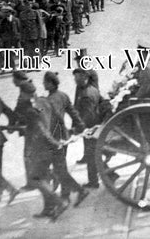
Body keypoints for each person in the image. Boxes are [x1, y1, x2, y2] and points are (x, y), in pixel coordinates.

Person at [14, 80, 68, 221]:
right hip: (48, 145)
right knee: (42, 178)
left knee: (35, 178)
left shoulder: (31, 109)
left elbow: (40, 129)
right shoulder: (43, 102)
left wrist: (54, 142)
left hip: (41, 147)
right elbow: (55, 119)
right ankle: (48, 209)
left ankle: (59, 202)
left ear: (24, 93)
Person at [43, 71, 89, 207]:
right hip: (64, 136)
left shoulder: (50, 100)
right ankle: (65, 195)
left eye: (45, 82)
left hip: (55, 138)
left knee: (59, 169)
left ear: (51, 84)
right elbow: (73, 113)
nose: (43, 84)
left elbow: (52, 119)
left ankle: (80, 191)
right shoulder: (63, 96)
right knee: (60, 166)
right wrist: (81, 126)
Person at [73, 68, 101, 188]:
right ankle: (111, 175)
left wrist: (79, 129)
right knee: (95, 153)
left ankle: (93, 182)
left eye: (77, 78)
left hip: (90, 129)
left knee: (91, 156)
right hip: (96, 127)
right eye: (75, 78)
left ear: (85, 78)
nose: (75, 80)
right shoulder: (93, 90)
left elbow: (87, 116)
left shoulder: (85, 95)